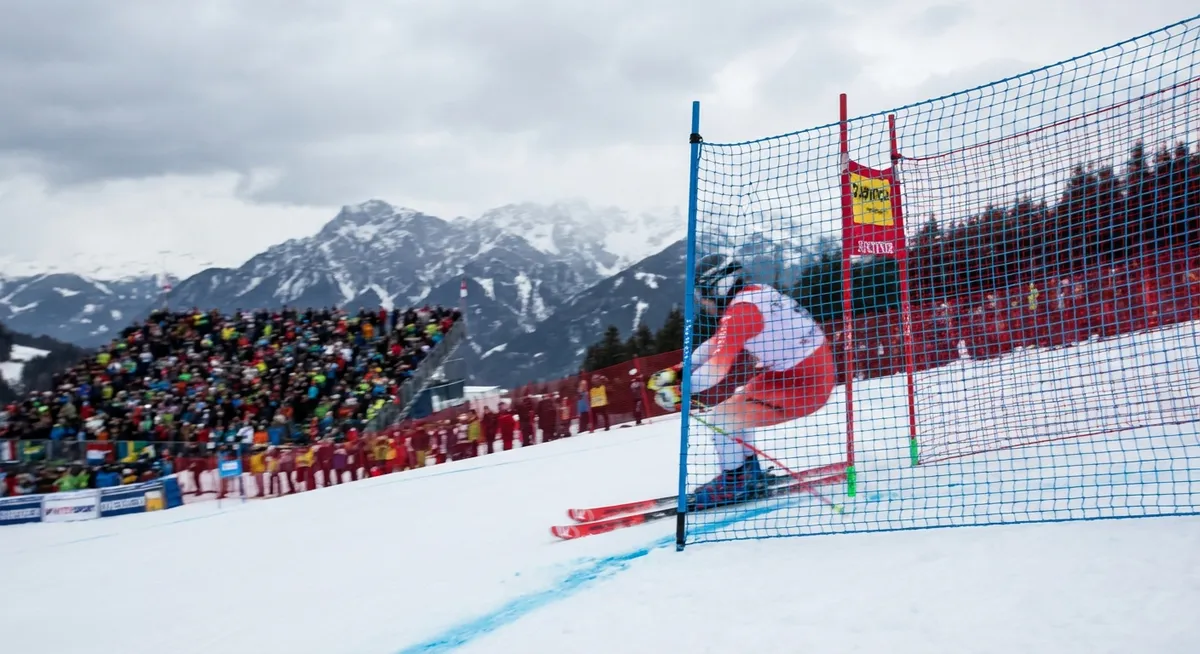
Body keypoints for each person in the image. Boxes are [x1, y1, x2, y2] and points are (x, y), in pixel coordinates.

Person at [650, 253, 835, 509]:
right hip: (786, 377)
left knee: (722, 418)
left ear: (718, 286)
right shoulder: (752, 296)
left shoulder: (742, 311)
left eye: (702, 294)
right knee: (733, 409)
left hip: (803, 385)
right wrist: (679, 371)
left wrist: (682, 389)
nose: (702, 302)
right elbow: (714, 346)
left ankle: (735, 483)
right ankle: (748, 472)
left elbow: (716, 369)